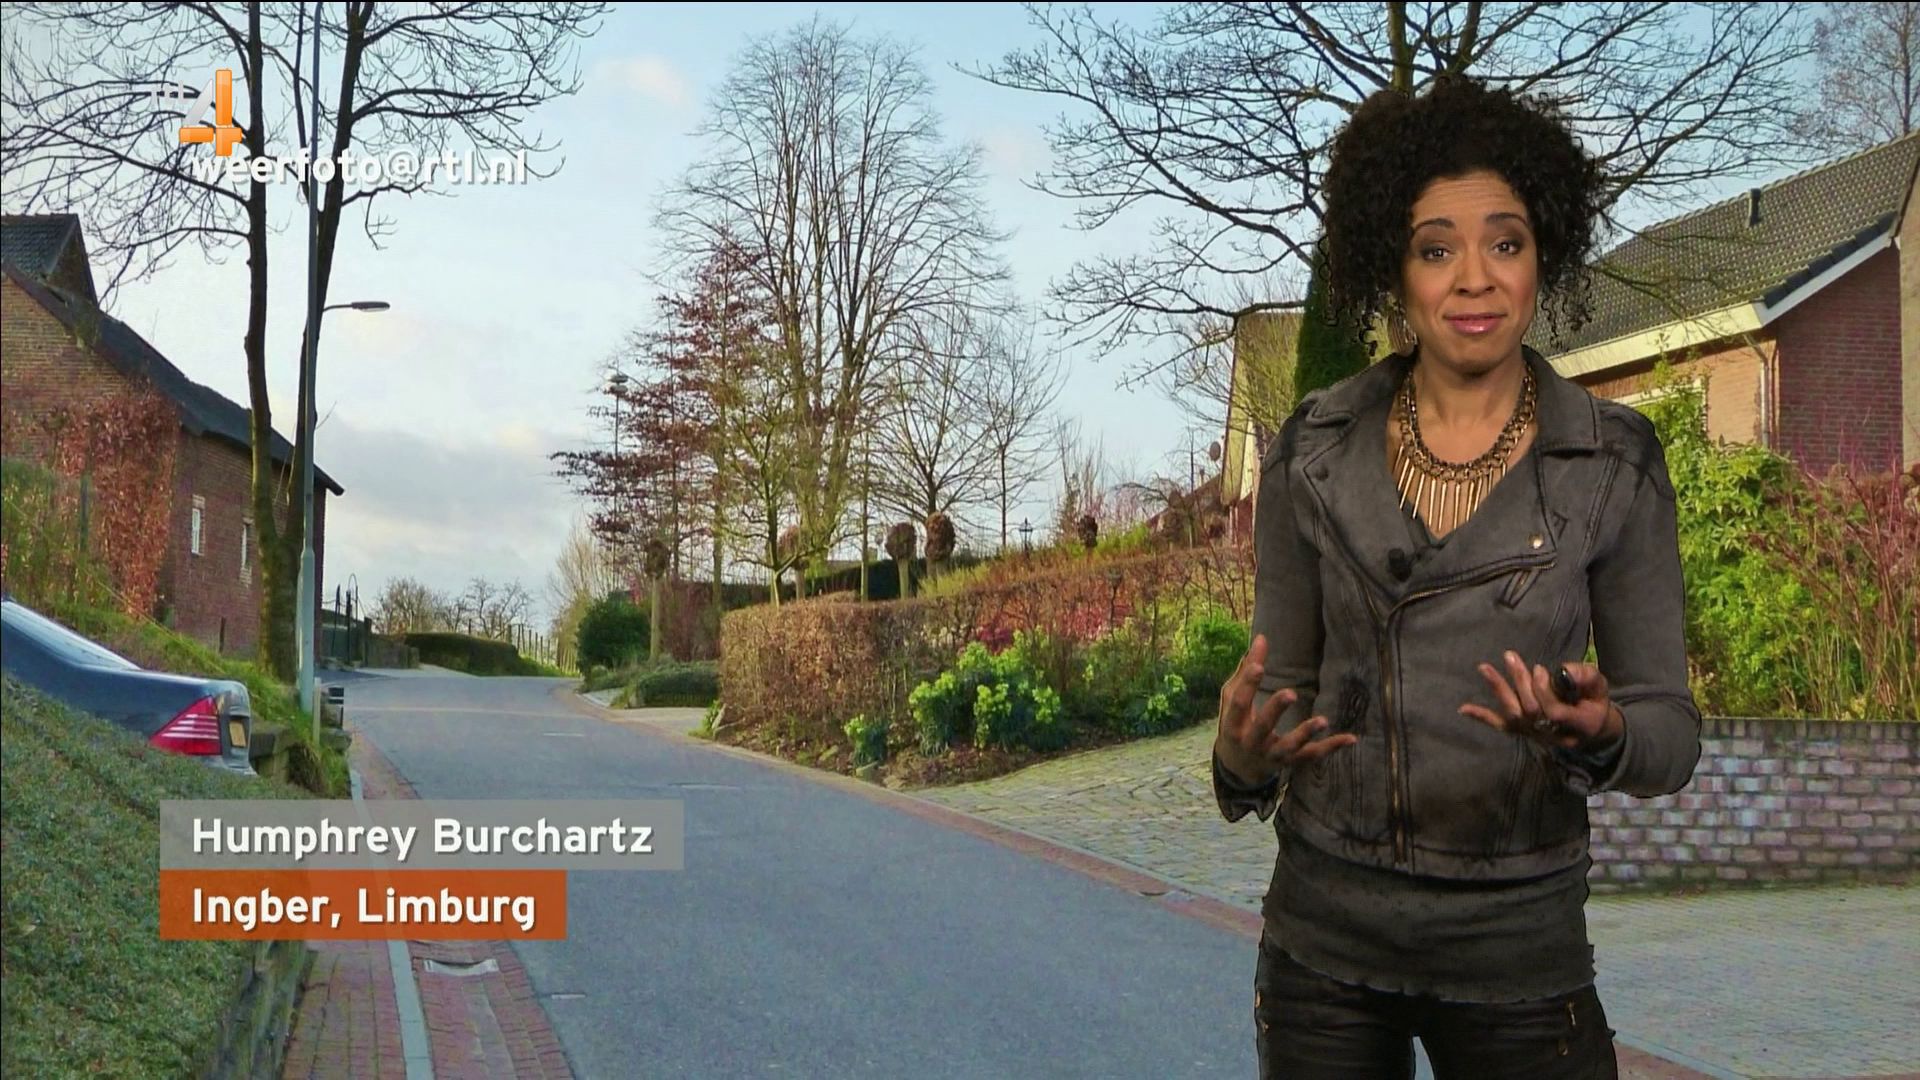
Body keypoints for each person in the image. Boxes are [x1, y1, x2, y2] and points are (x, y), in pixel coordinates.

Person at [1212, 75, 1702, 1079]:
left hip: (1518, 959)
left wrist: (1605, 731)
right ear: (1393, 270)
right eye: (1437, 249)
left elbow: (1672, 733)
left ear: (1542, 256)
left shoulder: (1613, 463)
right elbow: (1278, 698)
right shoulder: (1313, 449)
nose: (1475, 278)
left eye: (1505, 243)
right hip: (1325, 951)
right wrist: (1239, 757)